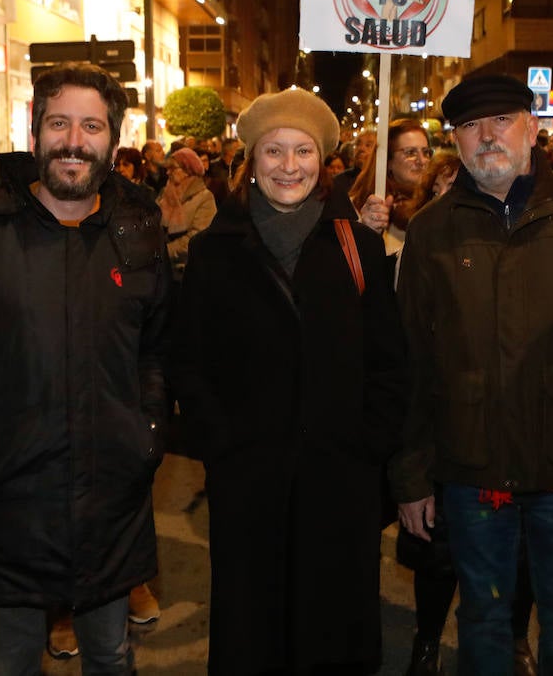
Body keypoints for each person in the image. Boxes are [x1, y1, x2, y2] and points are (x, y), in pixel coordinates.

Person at [0, 64, 171, 674]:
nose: (74, 141)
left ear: (114, 140)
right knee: (13, 660)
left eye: (91, 126)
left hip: (110, 498)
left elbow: (155, 350)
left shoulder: (138, 233)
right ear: (34, 130)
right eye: (59, 123)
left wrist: (146, 433)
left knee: (111, 655)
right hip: (3, 500)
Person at [168, 87, 408, 675]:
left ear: (322, 162)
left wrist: (368, 444)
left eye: (303, 151)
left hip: (339, 476)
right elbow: (189, 360)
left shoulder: (358, 245)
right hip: (248, 476)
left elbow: (389, 360)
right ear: (252, 159)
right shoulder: (215, 250)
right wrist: (221, 444)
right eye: (273, 151)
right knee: (252, 620)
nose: (289, 166)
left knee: (333, 621)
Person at [391, 73, 553, 674]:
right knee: (484, 617)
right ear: (456, 141)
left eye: (502, 120)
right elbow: (411, 360)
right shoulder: (432, 229)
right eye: (471, 126)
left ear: (532, 128)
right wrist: (412, 476)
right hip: (472, 466)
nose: (487, 136)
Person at [350, 118, 432, 257]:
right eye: (410, 153)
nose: (421, 160)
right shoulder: (363, 208)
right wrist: (366, 231)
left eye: (426, 152)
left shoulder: (437, 201)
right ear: (388, 161)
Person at [158, 148, 217, 283]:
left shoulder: (204, 197)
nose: (168, 172)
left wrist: (164, 251)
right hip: (163, 272)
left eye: (173, 168)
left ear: (187, 170)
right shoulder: (165, 194)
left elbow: (197, 237)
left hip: (187, 272)